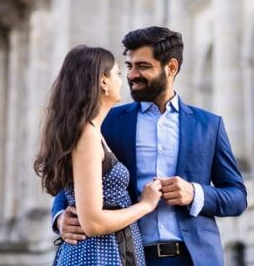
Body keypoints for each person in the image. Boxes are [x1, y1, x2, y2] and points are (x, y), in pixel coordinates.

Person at [52, 27, 247, 265]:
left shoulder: (209, 125)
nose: (132, 75)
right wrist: (60, 217)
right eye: (129, 65)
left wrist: (195, 193)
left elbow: (237, 196)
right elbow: (71, 180)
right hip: (128, 255)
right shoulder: (108, 123)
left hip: (194, 258)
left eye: (142, 66)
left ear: (171, 68)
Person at [35, 45, 164, 265]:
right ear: (103, 82)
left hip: (105, 251)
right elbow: (93, 223)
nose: (123, 81)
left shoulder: (91, 133)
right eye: (118, 74)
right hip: (97, 255)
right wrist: (146, 205)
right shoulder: (87, 137)